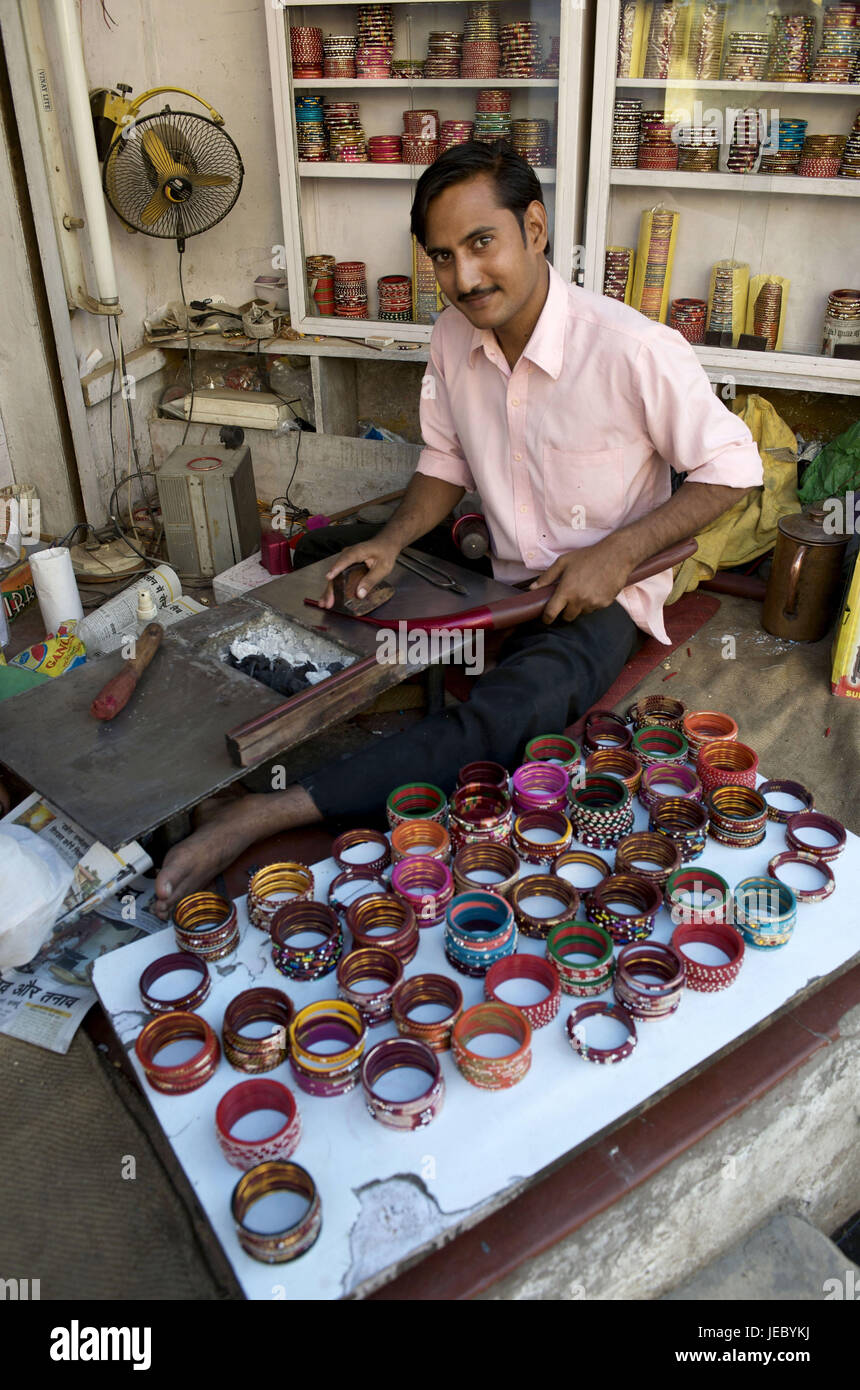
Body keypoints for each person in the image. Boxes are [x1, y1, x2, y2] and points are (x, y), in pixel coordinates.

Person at [153, 141, 762, 918]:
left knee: (506, 721)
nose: (465, 277)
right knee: (324, 557)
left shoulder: (633, 350)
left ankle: (266, 810)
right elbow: (444, 461)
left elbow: (734, 470)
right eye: (443, 256)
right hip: (494, 560)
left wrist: (618, 554)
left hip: (592, 596)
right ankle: (214, 721)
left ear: (534, 230)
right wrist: (391, 541)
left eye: (482, 244)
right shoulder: (451, 336)